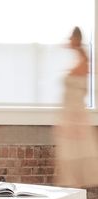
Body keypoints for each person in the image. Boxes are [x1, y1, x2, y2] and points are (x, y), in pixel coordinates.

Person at [54, 26, 98, 187]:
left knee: (73, 154)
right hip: (70, 113)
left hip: (75, 114)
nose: (68, 41)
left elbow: (81, 92)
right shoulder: (79, 57)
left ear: (77, 40)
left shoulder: (83, 61)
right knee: (68, 155)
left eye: (71, 38)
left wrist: (73, 120)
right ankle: (72, 190)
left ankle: (74, 191)